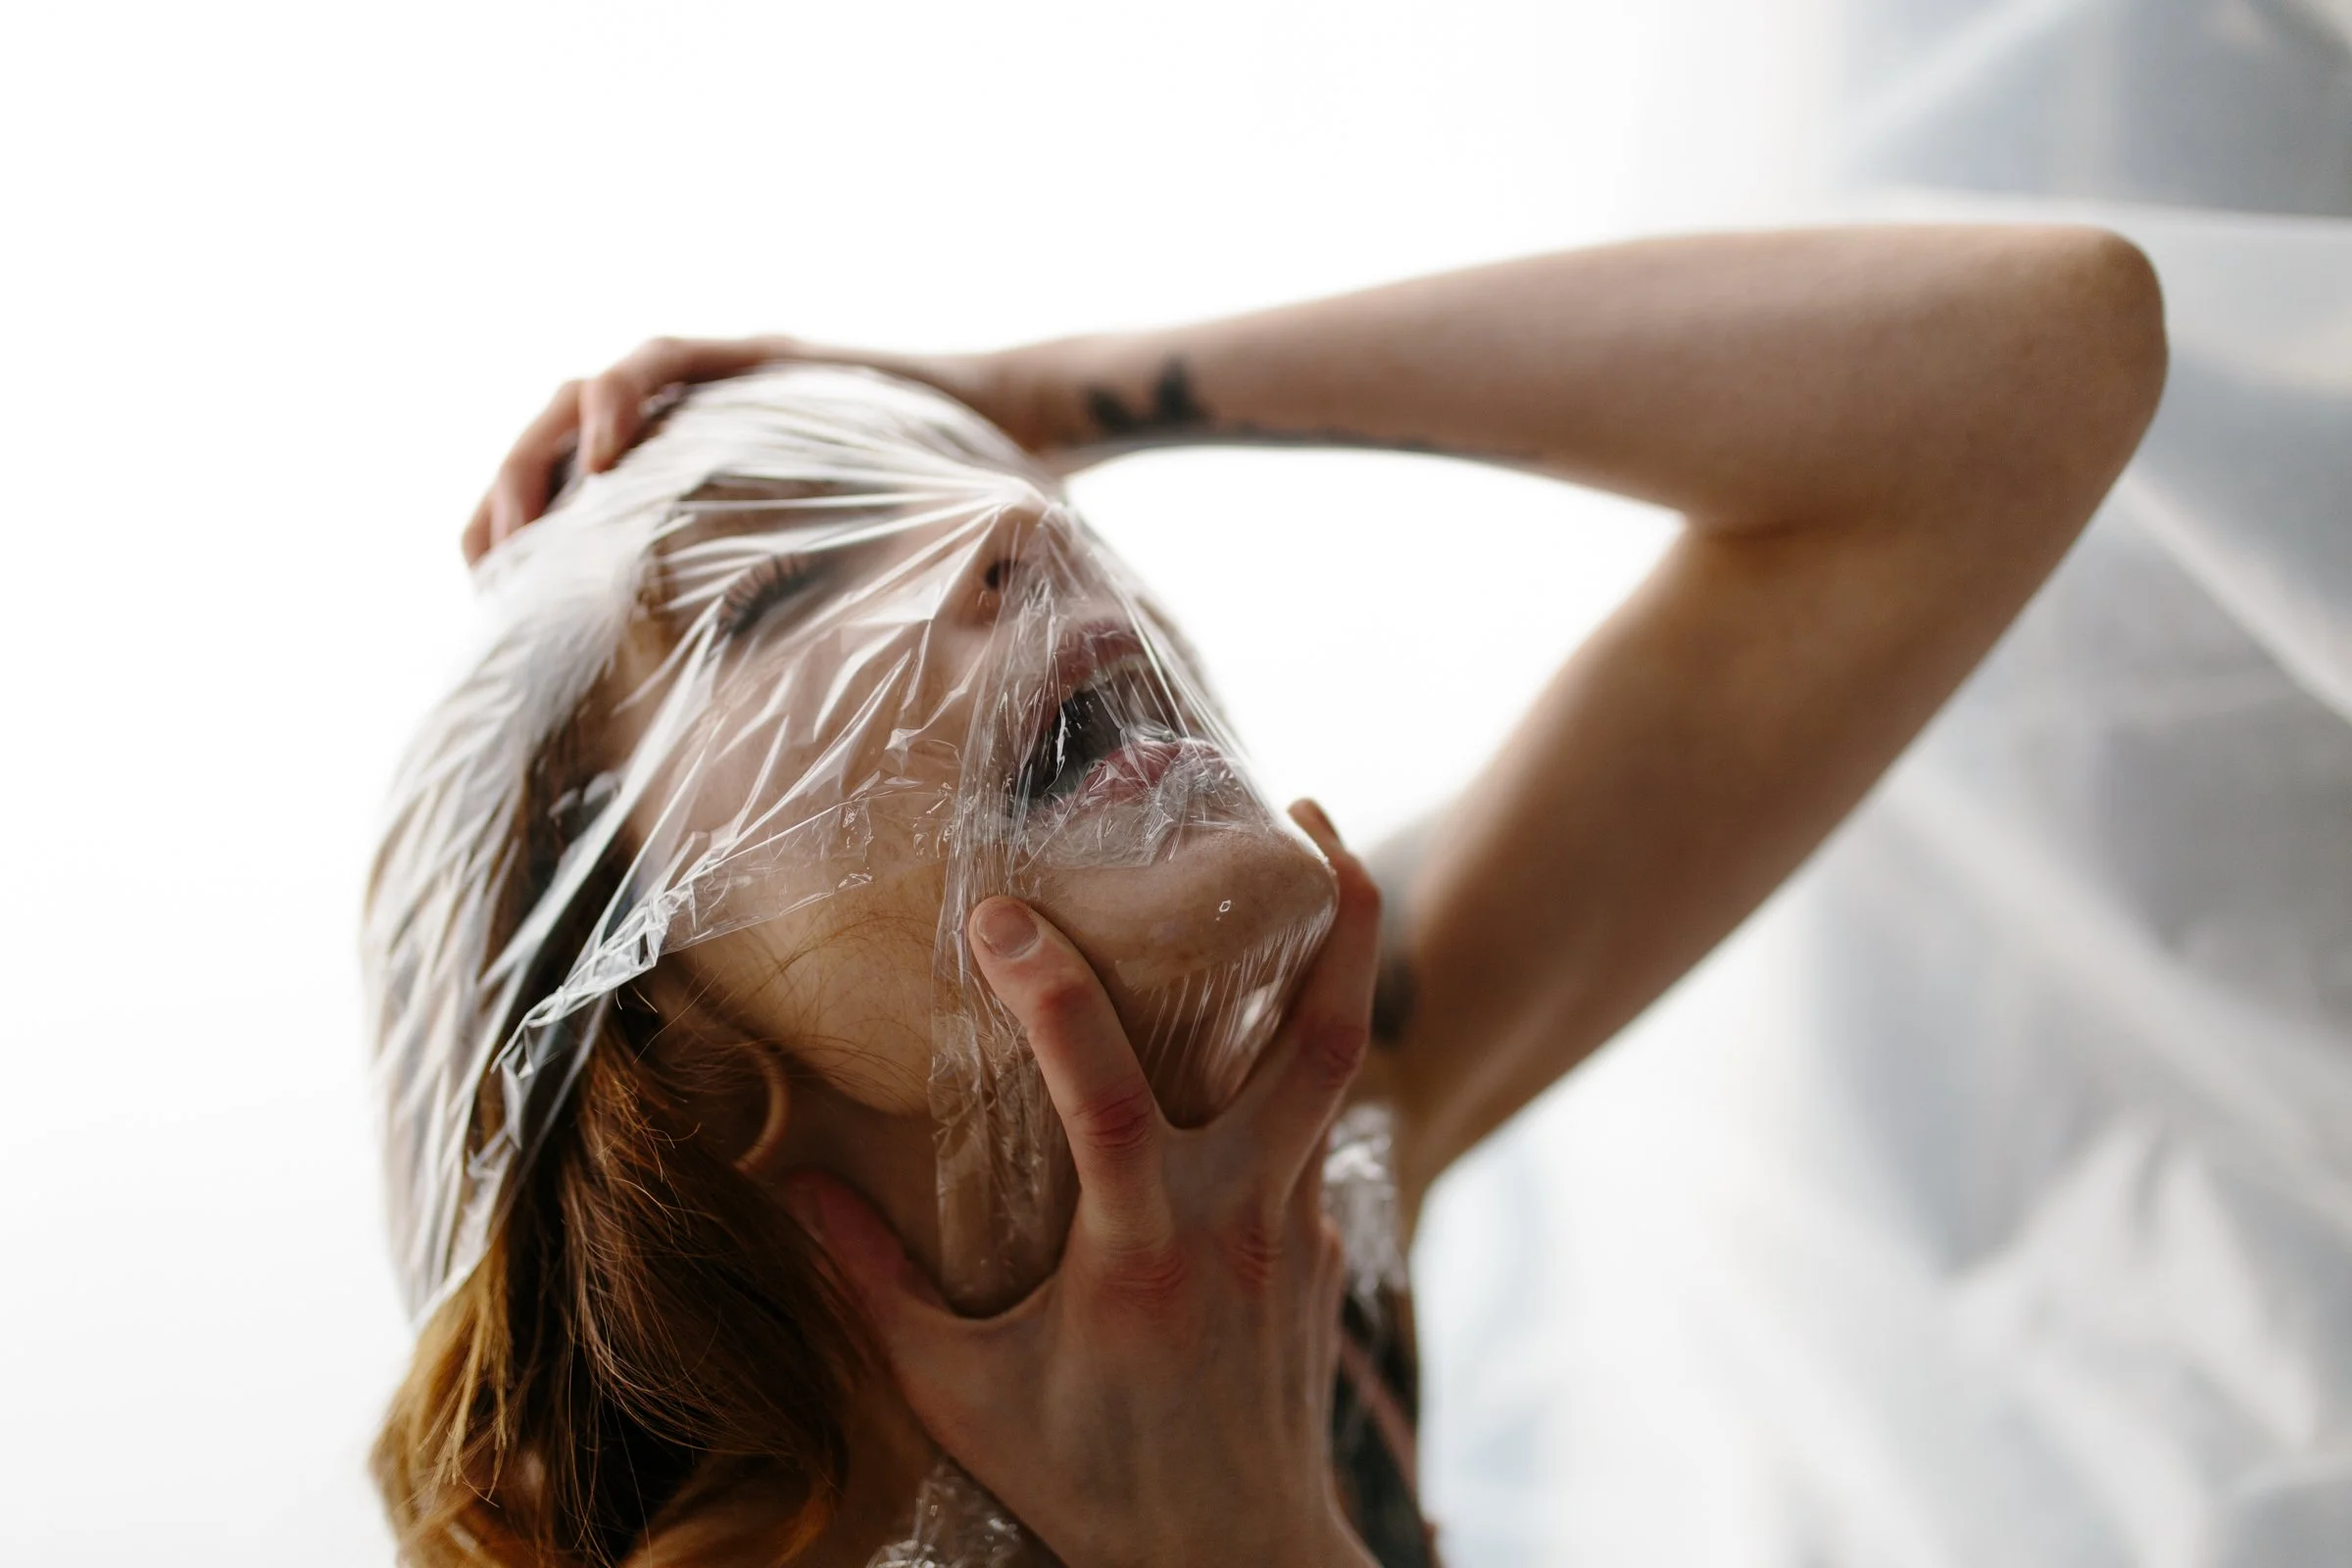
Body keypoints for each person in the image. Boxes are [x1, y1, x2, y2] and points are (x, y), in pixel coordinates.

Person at [370, 226, 2166, 1568]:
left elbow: (2038, 360)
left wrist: (1036, 398)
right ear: (675, 1052)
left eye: (930, 488)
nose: (1012, 527)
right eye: (774, 601)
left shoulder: (1310, 1187)